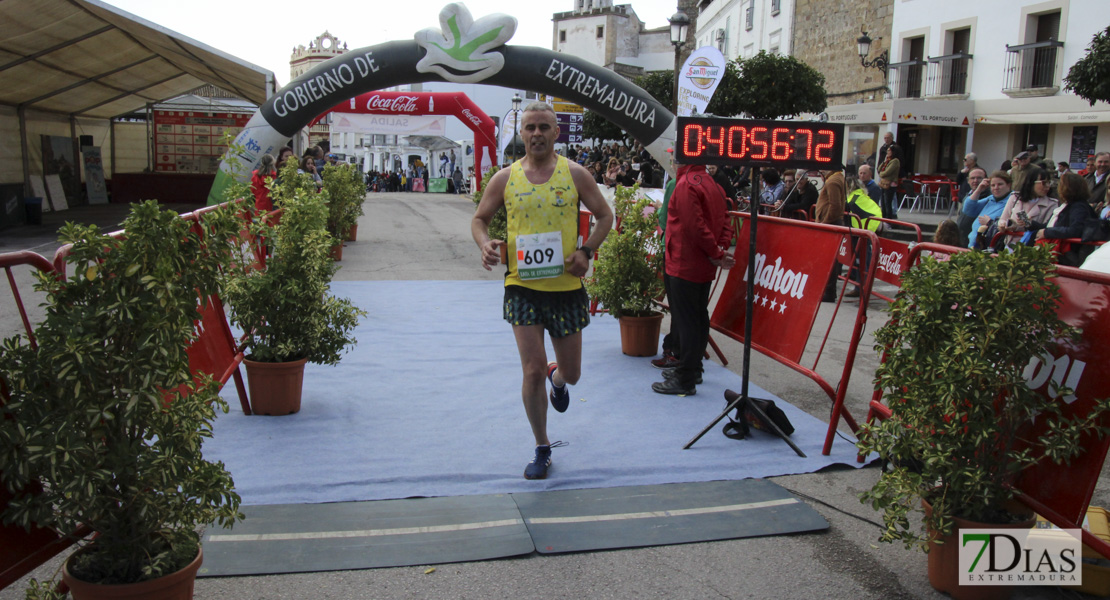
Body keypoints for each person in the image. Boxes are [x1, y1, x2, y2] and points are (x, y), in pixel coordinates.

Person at [471, 102, 613, 480]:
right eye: (530, 127)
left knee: (573, 373)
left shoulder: (575, 174)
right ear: (522, 134)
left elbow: (605, 216)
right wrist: (484, 243)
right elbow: (480, 219)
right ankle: (542, 445)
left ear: (556, 133)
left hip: (566, 288)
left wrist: (586, 250)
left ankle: (559, 378)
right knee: (530, 370)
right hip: (522, 287)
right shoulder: (505, 178)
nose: (536, 134)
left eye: (544, 128)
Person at [652, 155, 735, 396]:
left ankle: (686, 376)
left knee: (687, 320)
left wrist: (715, 252)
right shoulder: (713, 184)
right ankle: (693, 368)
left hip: (684, 262)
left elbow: (693, 227)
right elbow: (726, 222)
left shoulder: (687, 184)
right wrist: (717, 252)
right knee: (698, 317)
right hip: (700, 263)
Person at [1034, 173, 1097, 265]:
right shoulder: (1068, 205)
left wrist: (1046, 232)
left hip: (1067, 254)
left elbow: (1075, 230)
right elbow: (1053, 225)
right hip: (1059, 252)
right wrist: (1029, 224)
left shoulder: (1079, 207)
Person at [843, 175, 882, 298]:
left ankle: (860, 287)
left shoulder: (853, 198)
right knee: (863, 258)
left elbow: (846, 209)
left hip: (862, 231)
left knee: (862, 259)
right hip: (868, 229)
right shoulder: (861, 196)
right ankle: (860, 285)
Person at [998, 168, 1056, 239]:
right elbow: (1004, 218)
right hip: (1009, 244)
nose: (1048, 186)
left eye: (1049, 182)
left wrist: (1027, 224)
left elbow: (1047, 228)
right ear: (1031, 182)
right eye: (1044, 183)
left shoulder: (1052, 204)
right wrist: (1002, 224)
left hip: (1031, 246)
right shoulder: (1015, 197)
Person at [817, 168, 847, 302]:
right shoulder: (837, 178)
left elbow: (835, 205)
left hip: (830, 223)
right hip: (832, 222)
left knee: (830, 259)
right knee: (830, 258)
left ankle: (829, 291)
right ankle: (828, 290)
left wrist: (824, 222)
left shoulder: (833, 181)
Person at [966, 171, 1014, 248]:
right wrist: (979, 190)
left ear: (1009, 185)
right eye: (993, 185)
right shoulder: (991, 199)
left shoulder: (1013, 201)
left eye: (1000, 184)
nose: (996, 188)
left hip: (992, 248)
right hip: (973, 246)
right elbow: (968, 210)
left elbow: (1011, 224)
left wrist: (990, 222)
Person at [956, 167, 989, 243]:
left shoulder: (988, 197)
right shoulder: (968, 194)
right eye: (972, 178)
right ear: (968, 180)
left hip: (974, 239)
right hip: (961, 237)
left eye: (979, 178)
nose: (975, 181)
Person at [878, 146, 901, 219]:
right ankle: (883, 217)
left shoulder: (895, 161)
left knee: (887, 203)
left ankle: (888, 219)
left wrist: (881, 173)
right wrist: (884, 161)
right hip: (883, 184)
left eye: (889, 151)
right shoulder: (887, 161)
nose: (888, 152)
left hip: (890, 184)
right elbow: (879, 169)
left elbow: (887, 172)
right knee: (883, 202)